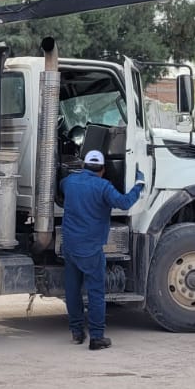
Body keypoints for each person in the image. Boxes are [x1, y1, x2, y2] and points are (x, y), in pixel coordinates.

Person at [59, 150, 144, 351]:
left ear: (84, 166)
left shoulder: (70, 182)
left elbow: (61, 185)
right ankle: (97, 337)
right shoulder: (103, 186)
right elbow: (124, 203)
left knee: (72, 290)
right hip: (91, 248)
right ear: (103, 170)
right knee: (96, 292)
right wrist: (139, 185)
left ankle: (76, 333)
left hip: (70, 245)